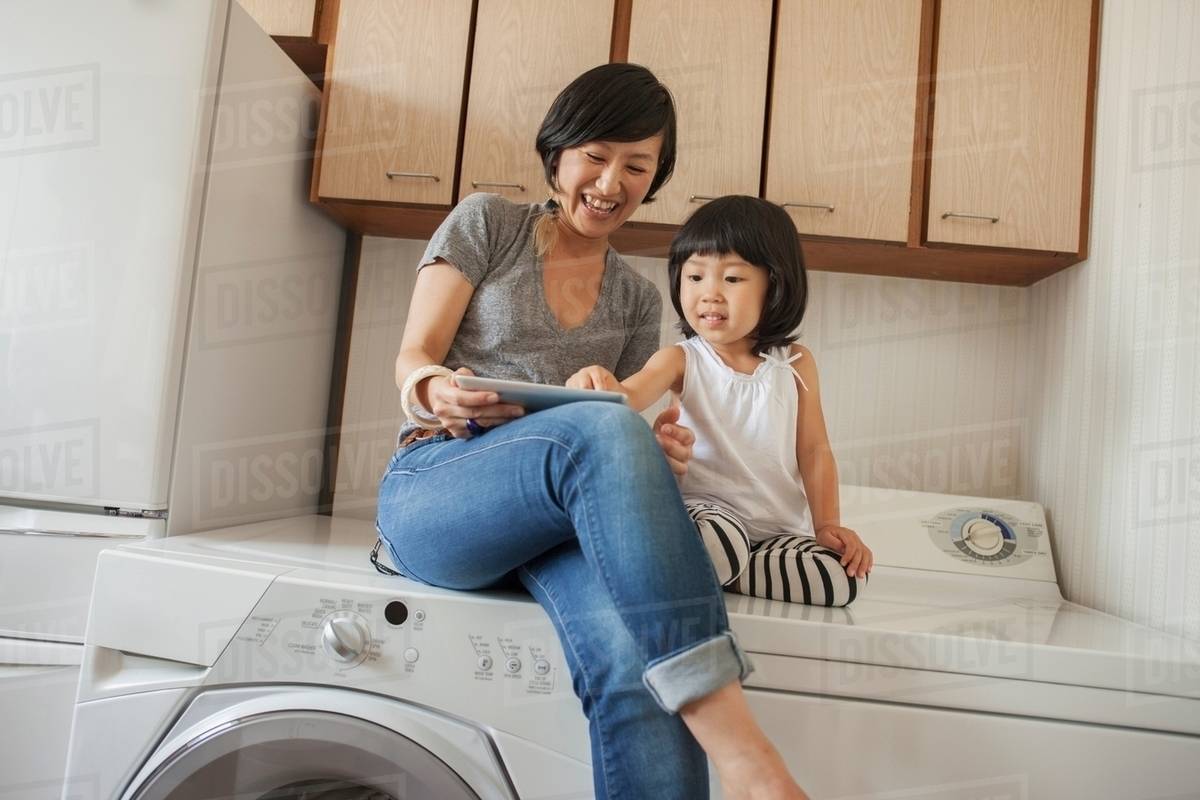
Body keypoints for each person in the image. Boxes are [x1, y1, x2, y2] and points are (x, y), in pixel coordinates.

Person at [375, 65, 808, 799]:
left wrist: (660, 453)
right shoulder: (488, 224)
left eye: (637, 166)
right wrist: (435, 388)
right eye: (596, 157)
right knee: (597, 431)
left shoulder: (638, 301)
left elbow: (623, 449)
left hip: (558, 530)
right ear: (559, 155)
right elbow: (413, 355)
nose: (612, 181)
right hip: (440, 489)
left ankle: (731, 757)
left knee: (634, 660)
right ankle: (747, 763)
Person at [568, 195, 874, 606]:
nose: (709, 294)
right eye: (695, 278)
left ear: (775, 283)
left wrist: (828, 524)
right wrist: (599, 382)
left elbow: (815, 450)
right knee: (717, 539)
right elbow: (631, 393)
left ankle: (732, 571)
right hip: (706, 514)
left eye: (731, 279)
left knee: (843, 578)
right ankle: (722, 561)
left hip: (777, 530)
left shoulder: (797, 364)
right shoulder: (682, 359)